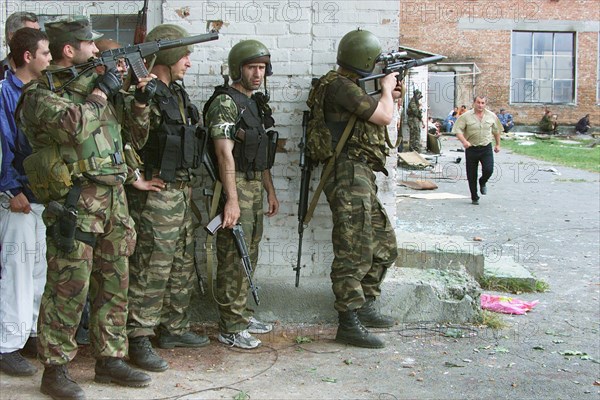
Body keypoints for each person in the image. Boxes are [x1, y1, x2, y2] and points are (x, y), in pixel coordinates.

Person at [15, 15, 157, 398]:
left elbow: (134, 139)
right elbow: (71, 127)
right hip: (76, 202)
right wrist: (102, 92)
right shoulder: (40, 94)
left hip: (113, 200)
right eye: (90, 45)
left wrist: (140, 103)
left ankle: (110, 360)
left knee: (115, 285)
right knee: (68, 288)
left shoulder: (98, 87)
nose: (96, 51)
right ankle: (55, 369)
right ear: (69, 49)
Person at [306, 29, 401, 349]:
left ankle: (365, 305)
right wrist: (387, 89)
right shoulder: (341, 87)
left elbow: (371, 111)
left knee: (384, 243)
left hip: (360, 175)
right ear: (364, 59)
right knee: (353, 250)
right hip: (347, 174)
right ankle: (348, 322)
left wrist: (386, 93)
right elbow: (384, 116)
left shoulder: (345, 85)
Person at [126, 24, 210, 371]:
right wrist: (134, 179)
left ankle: (173, 327)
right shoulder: (142, 92)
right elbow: (125, 138)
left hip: (181, 193)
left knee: (179, 266)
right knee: (151, 269)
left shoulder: (176, 93)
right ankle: (138, 338)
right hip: (157, 198)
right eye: (185, 54)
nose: (189, 62)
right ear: (169, 55)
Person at [203, 39, 279, 349]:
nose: (258, 74)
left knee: (249, 255)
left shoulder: (255, 103)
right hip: (233, 188)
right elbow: (224, 155)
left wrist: (270, 191)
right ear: (239, 69)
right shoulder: (225, 102)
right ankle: (230, 326)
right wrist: (231, 200)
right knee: (233, 258)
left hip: (253, 189)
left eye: (262, 68)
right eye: (252, 68)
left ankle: (242, 314)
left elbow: (259, 155)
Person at [0, 27, 51, 377]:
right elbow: (3, 143)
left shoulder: (39, 92)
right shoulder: (5, 93)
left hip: (40, 194)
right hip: (16, 197)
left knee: (38, 269)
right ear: (28, 57)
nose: (50, 58)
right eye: (45, 53)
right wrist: (9, 187)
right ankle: (7, 345)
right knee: (16, 272)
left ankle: (31, 332)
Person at [452, 95, 502, 205]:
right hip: (471, 148)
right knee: (471, 174)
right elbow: (458, 130)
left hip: (486, 147)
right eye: (478, 102)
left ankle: (483, 181)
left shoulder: (491, 116)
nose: (480, 105)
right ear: (474, 103)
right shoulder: (466, 116)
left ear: (485, 104)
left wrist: (498, 144)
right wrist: (464, 141)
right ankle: (474, 196)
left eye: (483, 103)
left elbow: (496, 130)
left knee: (489, 170)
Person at [1, 12, 40, 80]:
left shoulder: (45, 71)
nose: (39, 39)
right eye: (31, 33)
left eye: (39, 32)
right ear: (12, 36)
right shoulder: (2, 72)